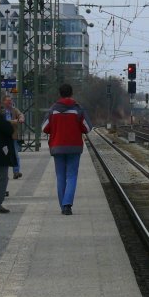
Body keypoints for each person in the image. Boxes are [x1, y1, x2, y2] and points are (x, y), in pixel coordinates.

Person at [42, 83, 92, 216]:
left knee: (60, 176)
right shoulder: (78, 109)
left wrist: (56, 128)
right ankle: (67, 205)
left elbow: (44, 128)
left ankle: (63, 206)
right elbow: (87, 127)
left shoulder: (53, 109)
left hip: (57, 147)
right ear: (71, 93)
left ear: (60, 94)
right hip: (74, 147)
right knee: (72, 175)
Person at [2, 94, 24, 179]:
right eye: (8, 101)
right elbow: (4, 122)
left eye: (10, 100)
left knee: (15, 154)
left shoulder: (14, 110)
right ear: (4, 102)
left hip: (13, 136)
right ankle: (4, 173)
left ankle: (16, 172)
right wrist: (14, 121)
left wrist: (21, 118)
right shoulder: (1, 111)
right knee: (4, 154)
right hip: (4, 137)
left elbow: (20, 114)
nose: (10, 102)